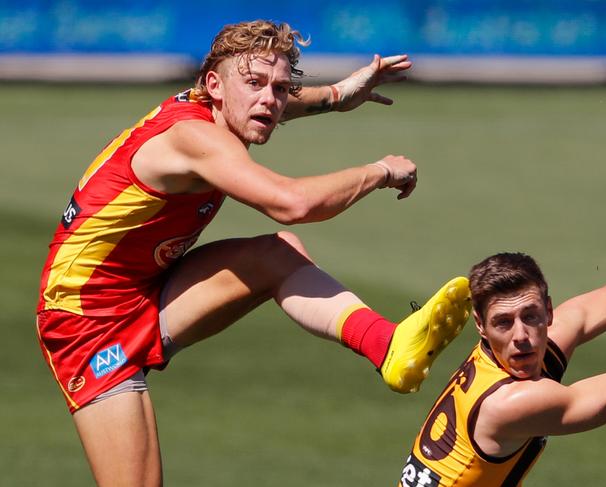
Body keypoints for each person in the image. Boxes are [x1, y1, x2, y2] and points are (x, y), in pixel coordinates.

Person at [36, 20, 472, 486]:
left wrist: (341, 94)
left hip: (147, 287)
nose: (270, 99)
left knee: (275, 256)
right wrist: (381, 170)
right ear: (214, 86)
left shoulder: (226, 108)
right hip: (85, 320)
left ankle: (388, 347)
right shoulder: (194, 139)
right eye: (255, 83)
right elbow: (292, 204)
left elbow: (275, 101)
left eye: (280, 87)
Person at [398, 252, 606, 487]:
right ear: (480, 325)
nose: (521, 335)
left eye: (530, 316)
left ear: (548, 312)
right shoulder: (509, 403)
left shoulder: (503, 358)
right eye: (503, 322)